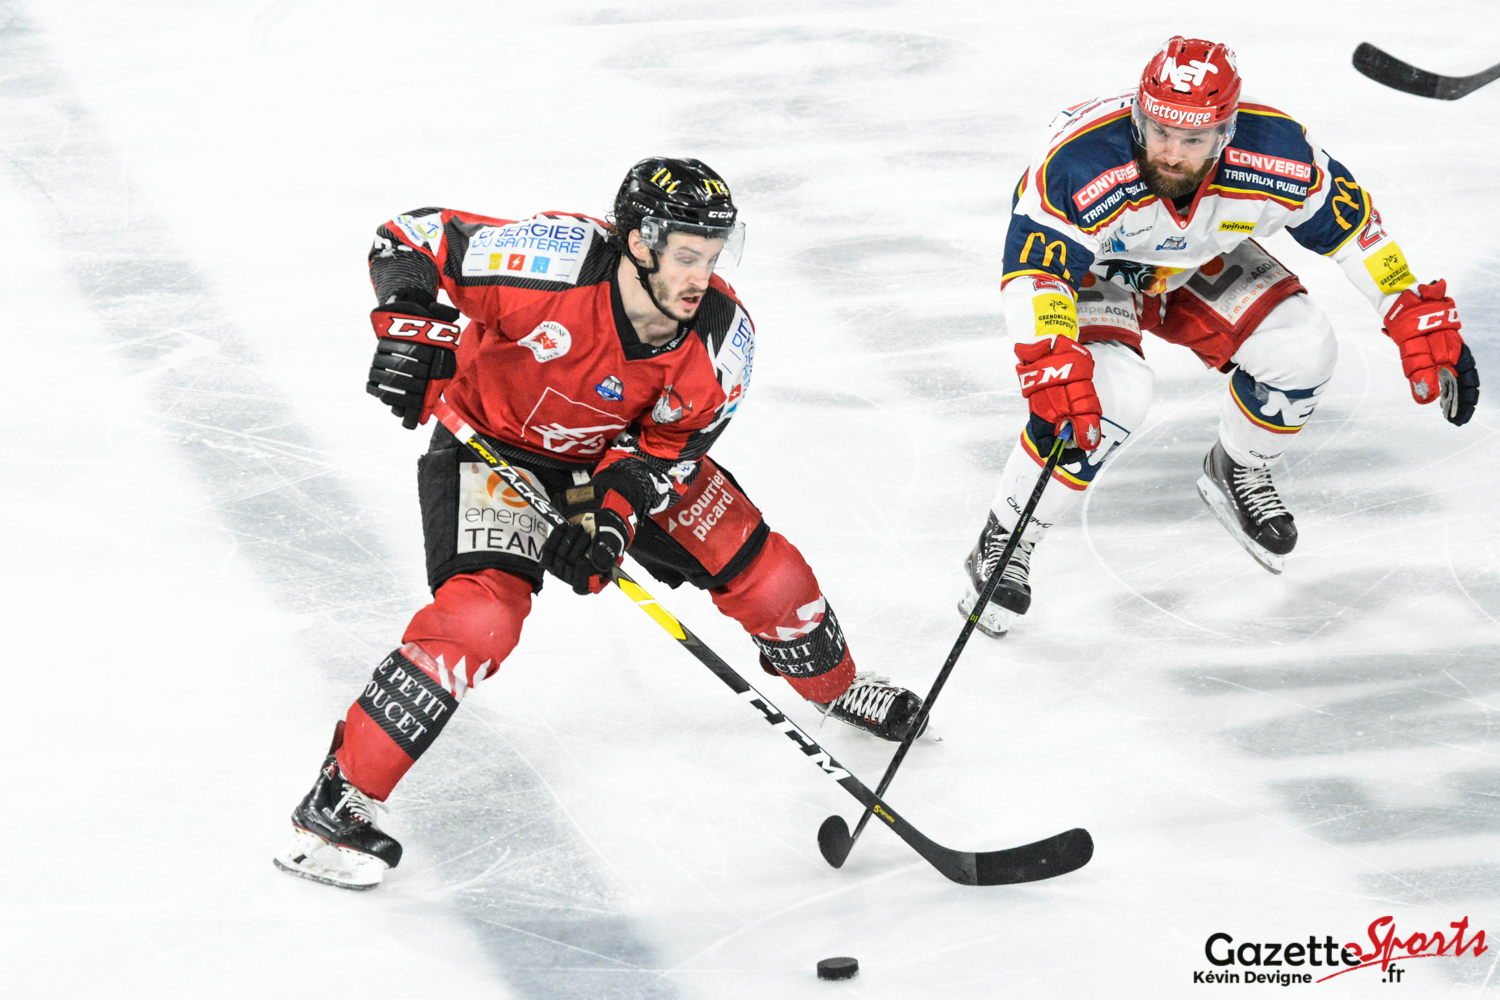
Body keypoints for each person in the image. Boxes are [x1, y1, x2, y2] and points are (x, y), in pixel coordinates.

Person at [273, 158, 929, 890]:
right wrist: (411, 329)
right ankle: (335, 803)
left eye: (712, 257)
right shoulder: (550, 263)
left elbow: (662, 453)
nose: (701, 278)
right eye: (686, 256)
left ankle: (834, 685)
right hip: (493, 448)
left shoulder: (721, 340)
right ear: (639, 243)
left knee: (771, 578)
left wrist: (609, 523)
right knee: (477, 622)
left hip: (613, 457)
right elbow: (409, 236)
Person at [958, 36, 1480, 637]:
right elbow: (1038, 270)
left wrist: (1406, 304)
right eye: (1159, 131)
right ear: (1139, 115)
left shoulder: (1278, 151)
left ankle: (1239, 468)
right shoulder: (1081, 162)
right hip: (1092, 272)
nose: (1171, 153)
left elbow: (1356, 231)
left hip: (1193, 263)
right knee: (1107, 394)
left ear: (1225, 132)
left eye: (1193, 139)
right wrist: (1050, 355)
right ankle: (1008, 535)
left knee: (1302, 346)